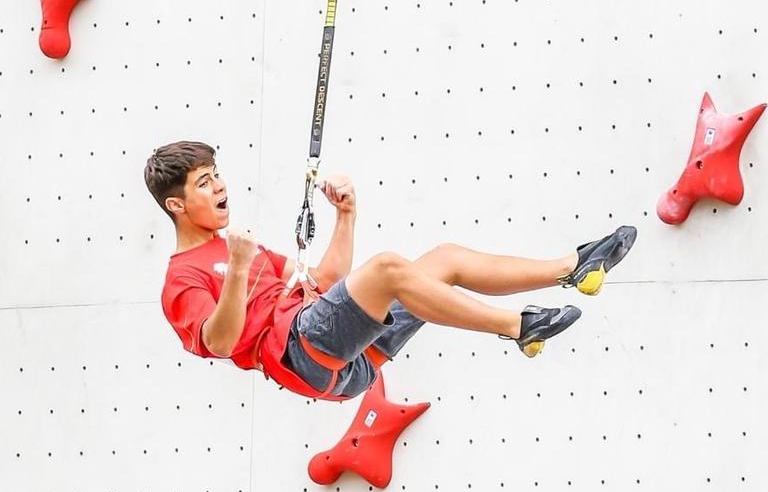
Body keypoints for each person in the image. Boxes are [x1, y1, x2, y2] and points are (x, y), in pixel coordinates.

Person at [145, 141, 636, 400]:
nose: (219, 187)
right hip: (300, 353)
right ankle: (517, 326)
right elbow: (220, 342)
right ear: (177, 205)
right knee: (387, 268)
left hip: (347, 357)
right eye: (204, 183)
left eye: (216, 176)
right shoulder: (183, 278)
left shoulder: (242, 251)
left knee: (442, 259)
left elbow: (328, 283)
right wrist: (235, 270)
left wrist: (346, 215)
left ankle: (573, 267)